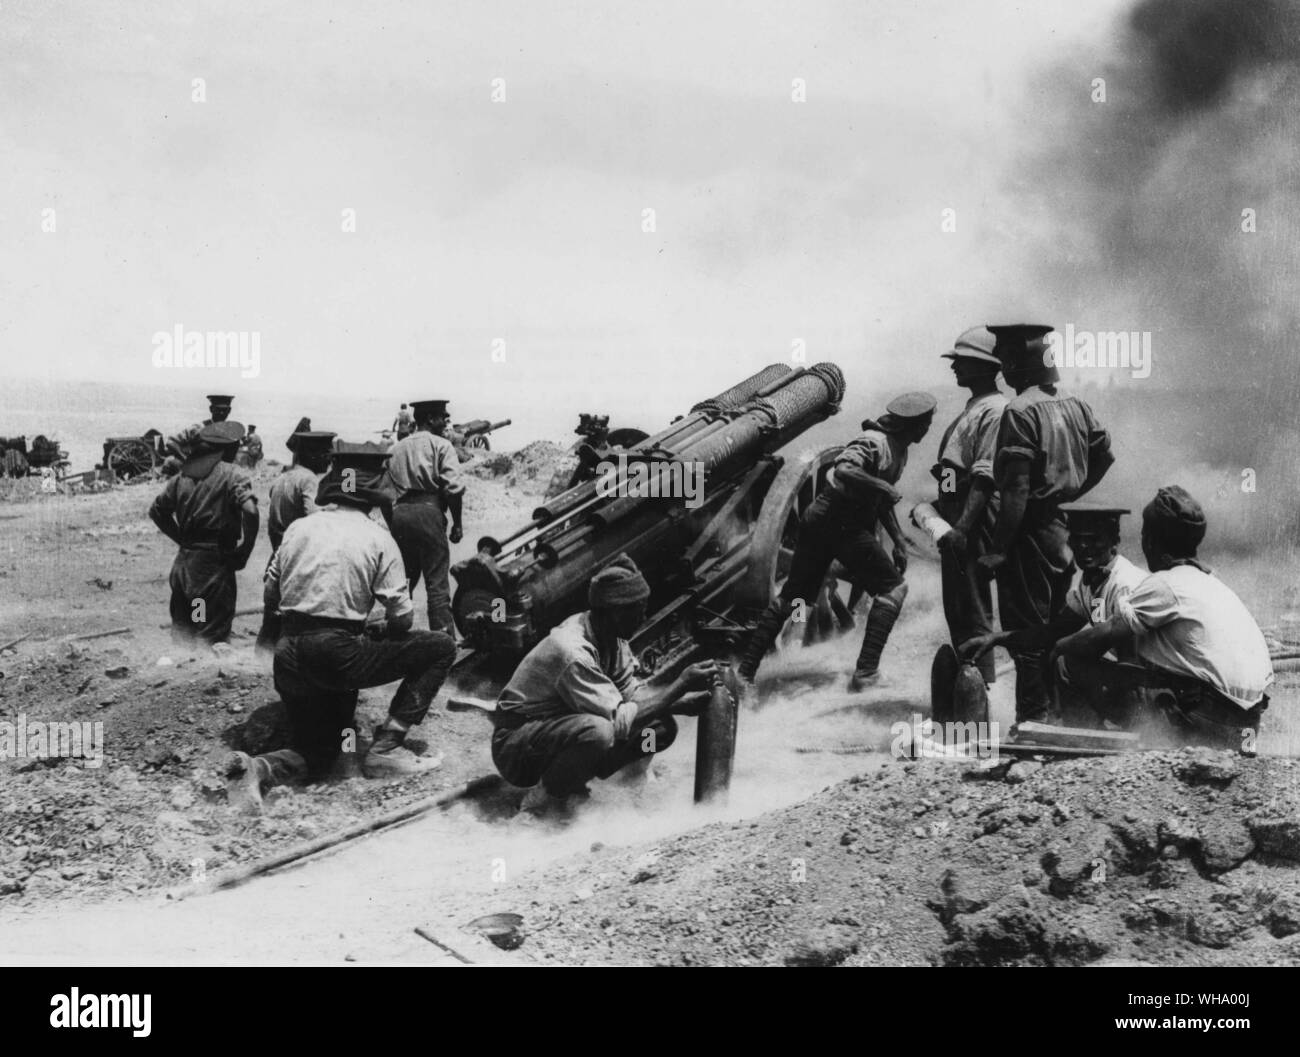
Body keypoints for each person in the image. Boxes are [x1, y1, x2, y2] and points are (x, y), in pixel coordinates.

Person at [225, 444, 457, 813]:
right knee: (441, 647)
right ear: (376, 497)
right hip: (336, 655)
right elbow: (404, 619)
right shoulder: (378, 537)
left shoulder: (299, 528)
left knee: (319, 752)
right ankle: (387, 749)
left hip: (288, 655)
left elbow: (271, 595)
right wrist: (374, 631)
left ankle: (258, 768)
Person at [1041, 487, 1273, 749]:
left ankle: (1083, 752)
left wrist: (1059, 648)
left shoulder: (1164, 585)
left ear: (1150, 540)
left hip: (1210, 722)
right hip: (1247, 729)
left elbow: (1109, 636)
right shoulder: (1212, 584)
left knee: (1070, 663)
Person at [490, 555, 720, 816]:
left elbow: (631, 693)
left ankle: (619, 786)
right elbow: (621, 719)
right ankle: (542, 802)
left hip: (555, 731)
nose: (644, 615)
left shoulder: (612, 636)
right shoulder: (572, 650)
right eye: (638, 608)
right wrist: (681, 685)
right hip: (517, 748)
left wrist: (677, 704)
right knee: (599, 732)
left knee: (659, 729)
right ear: (614, 611)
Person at [737, 392, 937, 691]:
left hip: (825, 520)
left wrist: (896, 539)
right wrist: (881, 484)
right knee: (893, 589)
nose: (927, 430)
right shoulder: (874, 441)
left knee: (793, 596)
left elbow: (881, 501)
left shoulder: (899, 449)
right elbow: (844, 469)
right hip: (840, 521)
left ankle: (744, 674)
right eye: (926, 424)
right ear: (915, 425)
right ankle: (866, 673)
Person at [976, 323, 1114, 722]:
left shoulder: (1020, 411)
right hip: (1064, 530)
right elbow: (1104, 456)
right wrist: (1070, 494)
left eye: (1006, 360)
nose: (1003, 370)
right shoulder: (1076, 403)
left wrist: (999, 550)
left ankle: (1033, 723)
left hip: (1030, 533)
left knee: (1028, 634)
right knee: (1055, 628)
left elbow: (1016, 488)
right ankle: (1062, 716)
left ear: (1022, 363)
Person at [962, 503, 1146, 722]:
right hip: (1138, 680)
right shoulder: (1090, 584)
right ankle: (1081, 732)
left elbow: (1131, 664)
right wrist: (994, 639)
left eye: (1095, 539)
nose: (1084, 547)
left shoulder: (1124, 583)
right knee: (1064, 655)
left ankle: (1114, 731)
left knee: (1068, 661)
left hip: (1153, 686)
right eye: (1078, 539)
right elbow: (1050, 633)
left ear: (1114, 542)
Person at [931, 326, 1008, 685]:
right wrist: (943, 499)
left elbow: (985, 476)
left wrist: (962, 526)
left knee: (973, 604)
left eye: (962, 361)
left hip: (971, 517)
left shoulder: (995, 410)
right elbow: (949, 469)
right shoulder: (975, 407)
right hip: (956, 511)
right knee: (958, 605)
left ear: (985, 366)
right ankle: (968, 685)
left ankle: (981, 690)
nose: (954, 367)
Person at [148, 421, 258, 647]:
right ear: (228, 448)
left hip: (184, 565)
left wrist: (182, 539)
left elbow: (157, 511)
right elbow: (250, 510)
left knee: (185, 631)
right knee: (209, 635)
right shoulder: (232, 475)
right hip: (213, 567)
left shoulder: (182, 477)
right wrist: (245, 549)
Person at [385, 398, 465, 637]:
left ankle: (396, 634)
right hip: (429, 513)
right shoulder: (442, 445)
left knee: (403, 580)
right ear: (430, 419)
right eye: (443, 417)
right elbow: (453, 489)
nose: (446, 421)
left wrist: (393, 523)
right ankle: (443, 640)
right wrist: (457, 524)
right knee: (437, 582)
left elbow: (384, 494)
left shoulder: (394, 449)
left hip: (400, 515)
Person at [256, 430, 337, 650]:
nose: (329, 458)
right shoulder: (308, 479)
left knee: (271, 618)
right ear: (311, 454)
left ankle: (259, 663)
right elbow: (312, 515)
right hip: (297, 559)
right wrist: (335, 510)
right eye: (325, 453)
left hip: (278, 555)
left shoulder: (283, 477)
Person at [164, 395, 235, 469]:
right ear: (211, 409)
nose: (221, 413)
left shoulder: (231, 433)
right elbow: (171, 442)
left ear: (229, 410)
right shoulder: (199, 428)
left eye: (224, 410)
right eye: (218, 409)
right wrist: (184, 458)